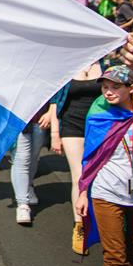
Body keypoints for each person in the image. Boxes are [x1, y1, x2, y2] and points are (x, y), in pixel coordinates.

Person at [75, 66, 133, 266]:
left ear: (132, 88)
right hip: (106, 192)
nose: (107, 92)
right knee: (115, 257)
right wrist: (82, 193)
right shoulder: (100, 116)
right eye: (105, 86)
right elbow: (90, 159)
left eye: (115, 87)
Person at [47, 61, 103, 254]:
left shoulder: (107, 64)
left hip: (99, 127)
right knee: (79, 177)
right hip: (72, 125)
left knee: (99, 176)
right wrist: (55, 133)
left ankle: (101, 223)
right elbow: (56, 99)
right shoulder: (70, 61)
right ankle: (80, 227)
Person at [12, 105, 49, 225]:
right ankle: (22, 204)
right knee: (21, 158)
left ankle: (28, 185)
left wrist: (52, 112)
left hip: (41, 116)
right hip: (18, 117)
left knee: (34, 157)